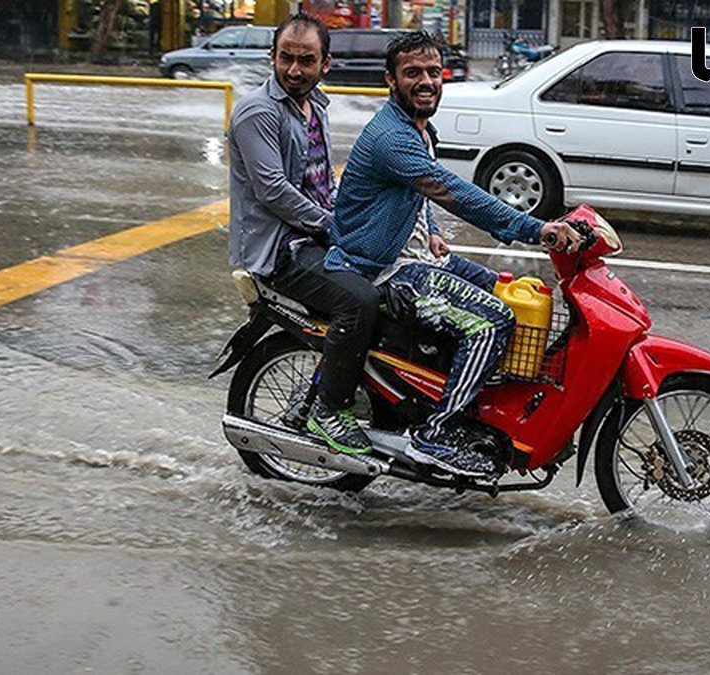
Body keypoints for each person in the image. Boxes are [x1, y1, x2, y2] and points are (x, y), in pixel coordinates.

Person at [326, 31, 581, 477]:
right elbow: (452, 192)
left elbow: (417, 194)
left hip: (419, 255)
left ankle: (473, 405)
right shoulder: (391, 136)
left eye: (431, 71)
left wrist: (433, 231)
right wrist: (535, 228)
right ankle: (436, 434)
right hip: (385, 270)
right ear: (391, 80)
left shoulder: (420, 128)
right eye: (412, 73)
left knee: (508, 292)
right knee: (491, 322)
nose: (425, 81)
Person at [227, 12, 382, 455]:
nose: (294, 70)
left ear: (325, 64)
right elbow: (273, 190)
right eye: (286, 59)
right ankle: (330, 410)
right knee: (359, 302)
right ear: (271, 58)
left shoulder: (316, 104)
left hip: (311, 236)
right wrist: (333, 228)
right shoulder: (258, 112)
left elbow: (320, 182)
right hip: (280, 249)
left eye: (306, 60)